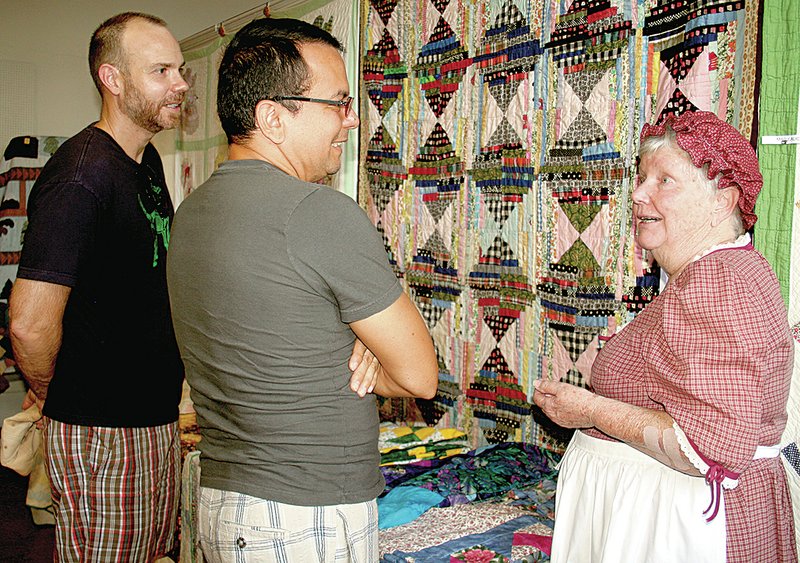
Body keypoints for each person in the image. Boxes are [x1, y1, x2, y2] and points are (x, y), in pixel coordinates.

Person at [165, 17, 439, 563]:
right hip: (303, 513)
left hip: (227, 503)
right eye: (337, 103)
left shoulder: (191, 213)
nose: (352, 120)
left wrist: (345, 340)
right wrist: (362, 349)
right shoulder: (318, 212)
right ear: (273, 118)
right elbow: (419, 376)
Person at [533, 110, 797, 562]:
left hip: (681, 529)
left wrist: (591, 409)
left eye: (664, 180)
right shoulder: (712, 274)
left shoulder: (718, 283)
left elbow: (708, 448)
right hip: (664, 516)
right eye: (640, 177)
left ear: (723, 201)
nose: (637, 193)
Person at [7, 12, 189, 561]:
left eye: (180, 69)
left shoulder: (145, 159)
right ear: (113, 79)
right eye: (161, 71)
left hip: (152, 421)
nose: (180, 83)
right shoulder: (80, 177)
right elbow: (28, 322)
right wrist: (52, 394)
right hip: (101, 434)